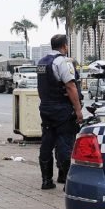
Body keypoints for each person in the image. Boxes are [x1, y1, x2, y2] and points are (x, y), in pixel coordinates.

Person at [36, 34, 83, 190]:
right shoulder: (62, 62)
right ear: (65, 46)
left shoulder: (42, 63)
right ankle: (66, 181)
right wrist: (78, 110)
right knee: (65, 143)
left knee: (47, 143)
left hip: (46, 108)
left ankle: (46, 180)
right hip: (62, 109)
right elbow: (70, 86)